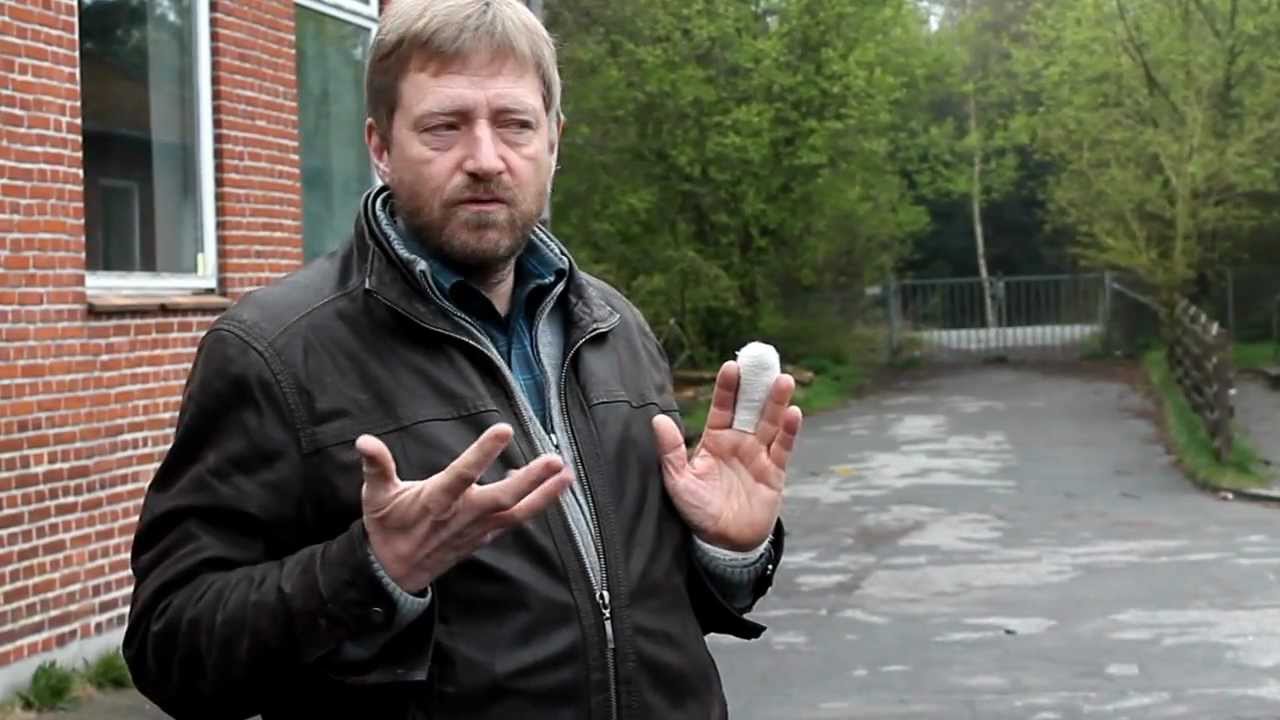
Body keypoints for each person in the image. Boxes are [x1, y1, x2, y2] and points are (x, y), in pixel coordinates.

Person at [122, 1, 804, 718]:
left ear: (554, 142)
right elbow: (170, 644)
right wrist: (370, 571)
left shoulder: (614, 328)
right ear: (379, 146)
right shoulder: (274, 352)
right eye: (444, 126)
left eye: (514, 124)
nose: (485, 159)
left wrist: (729, 551)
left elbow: (628, 615)